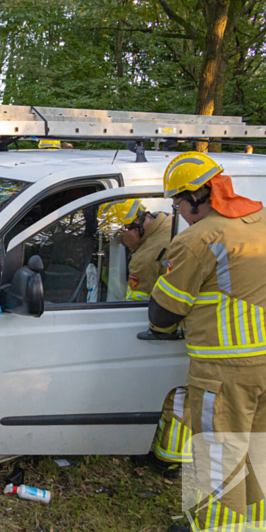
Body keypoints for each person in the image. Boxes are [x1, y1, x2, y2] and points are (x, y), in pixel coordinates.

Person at [145, 151, 266, 532]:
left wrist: (162, 330)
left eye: (178, 204)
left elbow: (164, 312)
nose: (178, 213)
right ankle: (255, 528)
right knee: (258, 445)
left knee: (220, 447)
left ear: (197, 197)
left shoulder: (199, 239)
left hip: (227, 369)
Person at [100, 199, 188, 472]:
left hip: (172, 330)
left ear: (134, 226)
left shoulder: (146, 258)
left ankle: (170, 461)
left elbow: (133, 310)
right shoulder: (166, 220)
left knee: (174, 396)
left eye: (118, 236)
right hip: (186, 324)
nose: (119, 242)